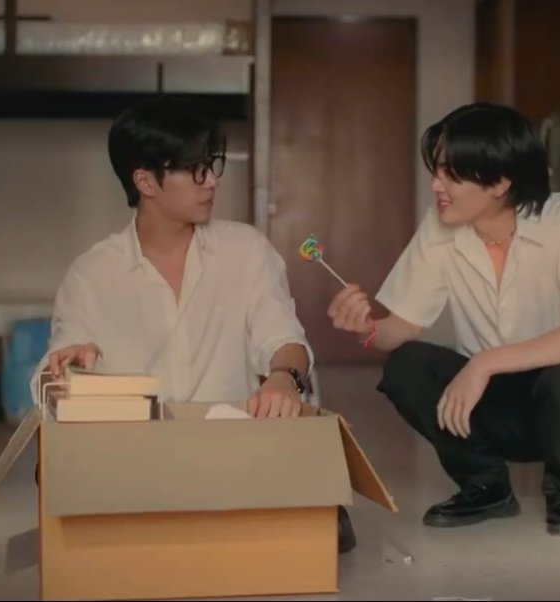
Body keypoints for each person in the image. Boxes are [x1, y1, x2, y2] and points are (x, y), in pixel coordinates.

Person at [29, 95, 356, 553]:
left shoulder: (246, 251)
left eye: (212, 165)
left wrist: (285, 377)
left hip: (232, 447)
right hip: (140, 457)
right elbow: (51, 377)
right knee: (55, 466)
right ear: (145, 180)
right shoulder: (92, 273)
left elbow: (284, 340)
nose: (212, 181)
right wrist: (68, 372)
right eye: (194, 169)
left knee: (314, 513)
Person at [327, 102, 560, 537]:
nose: (436, 185)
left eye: (452, 174)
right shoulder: (440, 226)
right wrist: (368, 330)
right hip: (485, 405)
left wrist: (486, 362)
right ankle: (485, 486)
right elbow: (401, 329)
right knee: (406, 365)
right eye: (437, 171)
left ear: (500, 182)